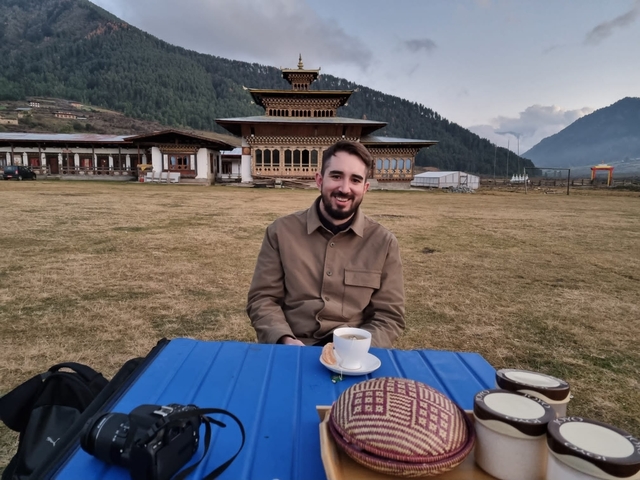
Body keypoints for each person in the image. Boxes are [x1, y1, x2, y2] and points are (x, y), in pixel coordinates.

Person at [246, 140, 405, 348]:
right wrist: (284, 339)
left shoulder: (384, 243)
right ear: (319, 180)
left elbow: (389, 316)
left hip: (353, 354)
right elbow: (262, 299)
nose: (344, 188)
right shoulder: (280, 232)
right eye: (336, 176)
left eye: (355, 180)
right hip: (293, 349)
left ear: (365, 188)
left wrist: (356, 349)